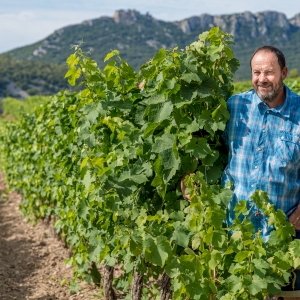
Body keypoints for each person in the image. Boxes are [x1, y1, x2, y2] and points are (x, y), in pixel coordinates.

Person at [182, 46, 300, 300]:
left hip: (285, 232)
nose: (261, 79)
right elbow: (206, 147)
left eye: (269, 72)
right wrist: (190, 177)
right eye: (256, 72)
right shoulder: (234, 108)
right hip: (236, 232)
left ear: (285, 73)